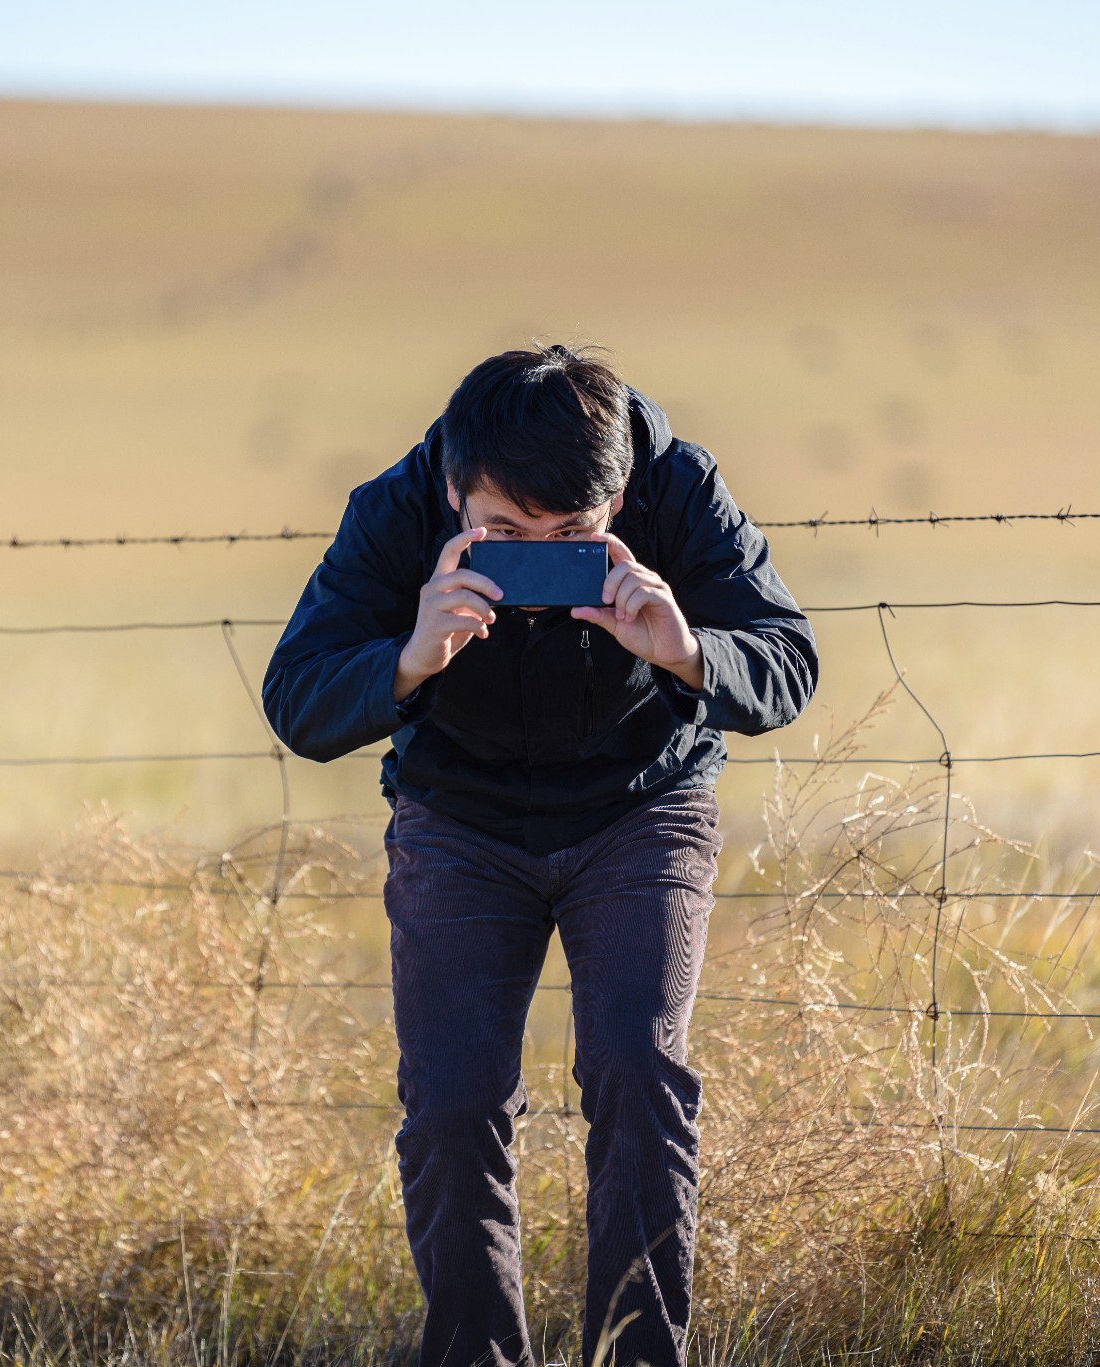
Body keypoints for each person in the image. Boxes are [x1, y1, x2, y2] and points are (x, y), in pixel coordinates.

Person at [262, 342, 818, 1367]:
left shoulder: (678, 483)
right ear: (448, 487)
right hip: (457, 818)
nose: (536, 552)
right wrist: (405, 659)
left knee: (635, 1070)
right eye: (502, 534)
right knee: (452, 1101)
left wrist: (687, 650)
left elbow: (786, 658)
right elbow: (295, 693)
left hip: (642, 807)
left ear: (620, 493)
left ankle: (636, 1356)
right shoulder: (393, 508)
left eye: (572, 535)